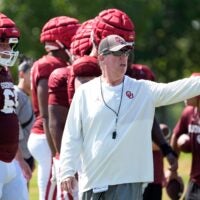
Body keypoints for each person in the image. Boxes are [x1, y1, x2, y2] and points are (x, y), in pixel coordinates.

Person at [59, 34, 200, 200]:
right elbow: (72, 134)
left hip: (127, 181)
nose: (123, 58)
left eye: (126, 53)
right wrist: (67, 170)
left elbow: (178, 88)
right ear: (102, 57)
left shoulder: (142, 90)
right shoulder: (85, 92)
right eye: (118, 53)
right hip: (93, 179)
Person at [28, 16, 80, 200]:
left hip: (49, 134)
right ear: (62, 41)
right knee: (53, 192)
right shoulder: (49, 65)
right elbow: (47, 114)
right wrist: (57, 154)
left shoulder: (55, 64)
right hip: (47, 135)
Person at [48, 55, 101, 199]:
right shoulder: (63, 78)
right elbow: (56, 124)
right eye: (82, 83)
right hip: (77, 154)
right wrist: (65, 164)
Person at [128, 64, 177, 200]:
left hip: (152, 172)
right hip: (126, 171)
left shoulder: (143, 73)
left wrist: (165, 147)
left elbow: (151, 117)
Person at [0, 12, 28, 200]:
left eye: (10, 43)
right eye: (3, 43)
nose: (8, 49)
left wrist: (19, 157)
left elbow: (9, 116)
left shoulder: (5, 72)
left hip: (10, 160)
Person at [169, 72, 200, 200]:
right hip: (195, 182)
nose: (185, 94)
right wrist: (173, 170)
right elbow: (176, 136)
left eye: (189, 89)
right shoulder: (188, 113)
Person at [14, 56, 35, 188]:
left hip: (25, 156)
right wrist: (21, 159)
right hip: (18, 158)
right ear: (21, 74)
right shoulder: (16, 94)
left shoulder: (25, 95)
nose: (33, 78)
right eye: (31, 74)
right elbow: (13, 127)